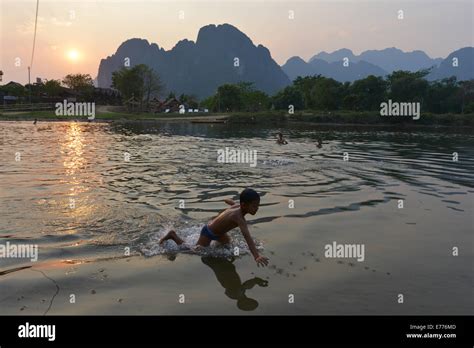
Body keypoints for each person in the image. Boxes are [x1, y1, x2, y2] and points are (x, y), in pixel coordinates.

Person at [159, 188, 269, 267]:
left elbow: (233, 204)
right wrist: (256, 256)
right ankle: (173, 235)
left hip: (219, 232)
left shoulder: (238, 207)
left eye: (258, 205)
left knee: (227, 243)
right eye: (254, 206)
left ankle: (220, 261)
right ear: (244, 205)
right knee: (195, 250)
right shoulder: (240, 219)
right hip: (209, 232)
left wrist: (229, 201)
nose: (257, 208)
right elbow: (248, 238)